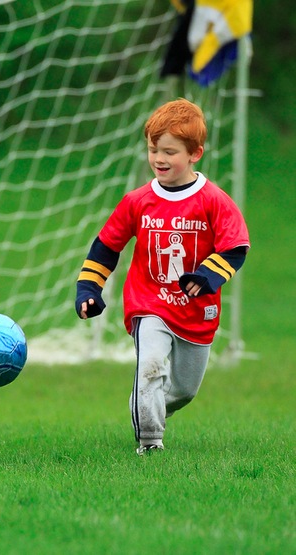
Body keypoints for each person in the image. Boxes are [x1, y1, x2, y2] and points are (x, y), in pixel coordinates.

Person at [74, 98, 250, 455]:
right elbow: (107, 245)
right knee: (151, 367)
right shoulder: (138, 201)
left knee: (185, 389)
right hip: (148, 303)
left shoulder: (213, 200)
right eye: (154, 149)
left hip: (197, 311)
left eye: (170, 151)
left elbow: (236, 246)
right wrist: (89, 287)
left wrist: (205, 277)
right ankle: (150, 442)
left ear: (195, 153)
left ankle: (143, 406)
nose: (159, 159)